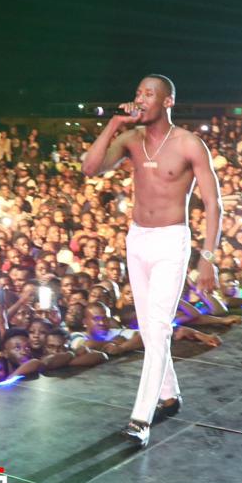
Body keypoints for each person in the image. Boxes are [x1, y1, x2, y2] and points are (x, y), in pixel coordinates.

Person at [82, 75, 222, 447]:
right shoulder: (131, 139)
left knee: (158, 328)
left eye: (149, 94)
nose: (140, 99)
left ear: (167, 101)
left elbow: (213, 204)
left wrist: (208, 257)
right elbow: (90, 168)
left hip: (171, 241)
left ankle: (140, 418)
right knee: (149, 330)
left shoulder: (189, 144)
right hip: (137, 239)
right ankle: (169, 395)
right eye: (138, 93)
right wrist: (114, 124)